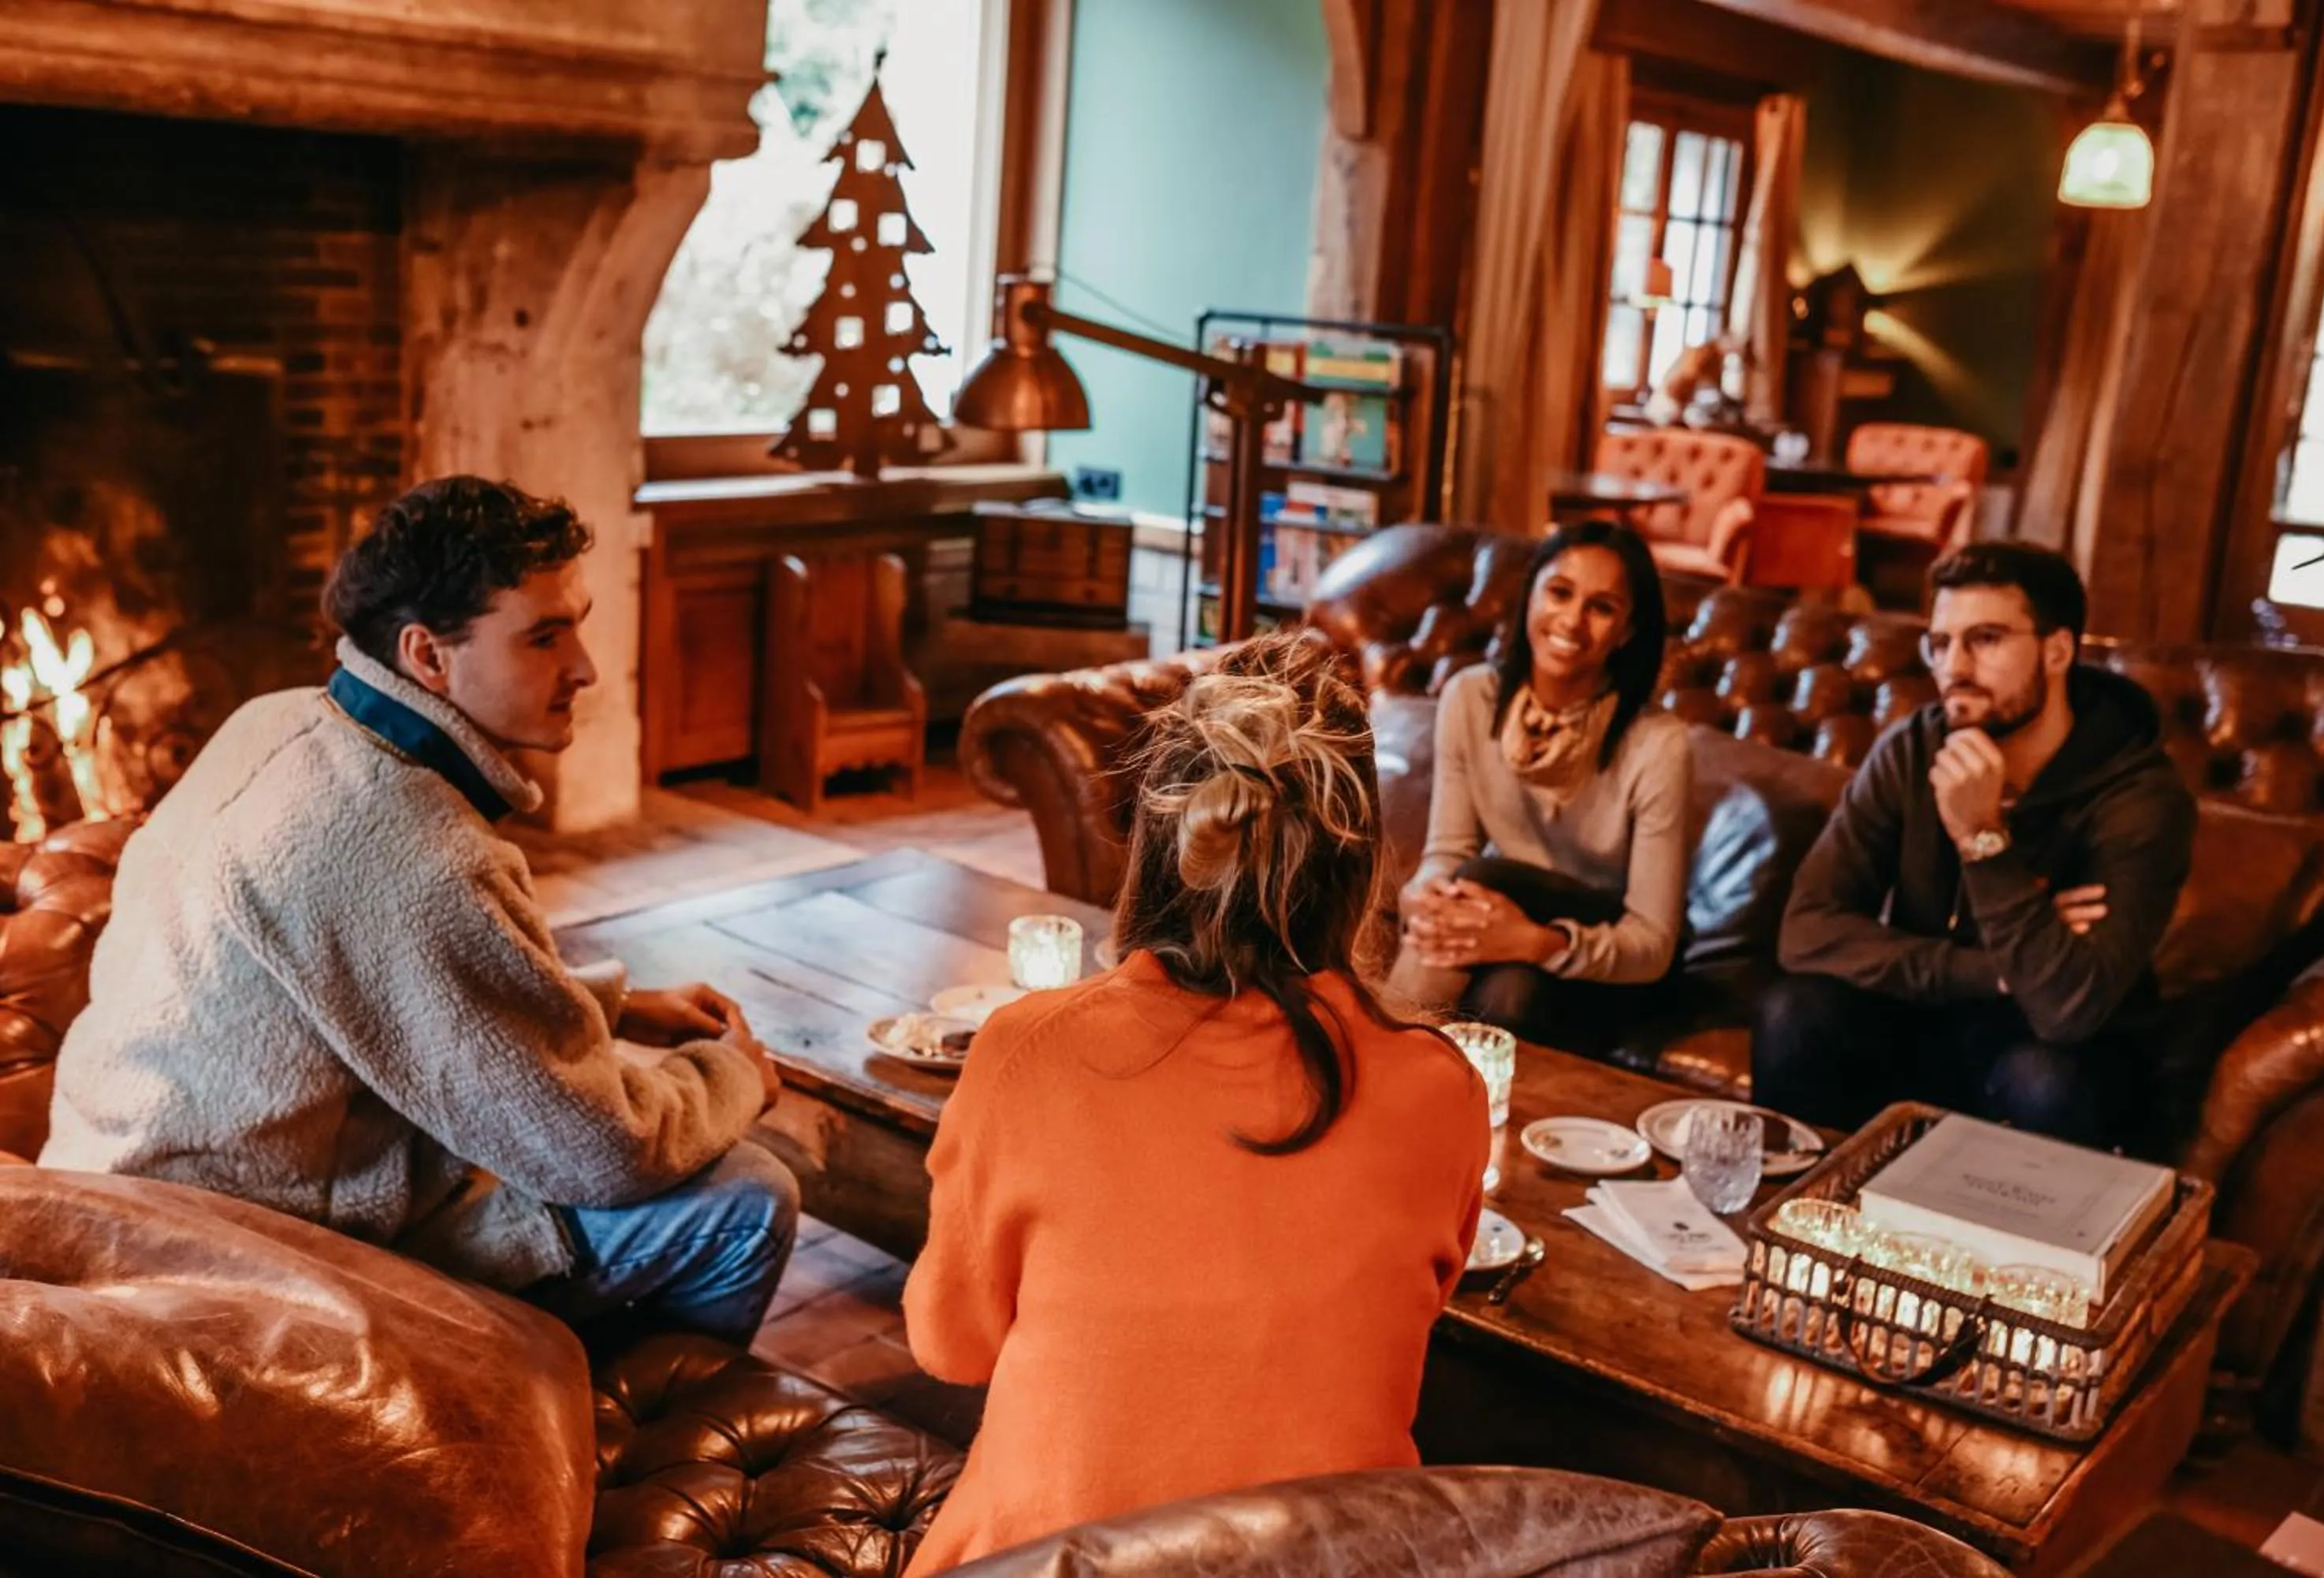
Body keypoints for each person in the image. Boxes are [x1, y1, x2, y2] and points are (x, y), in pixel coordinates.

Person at [42, 475, 796, 1345]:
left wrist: (613, 1004)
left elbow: (374, 987)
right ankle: (574, 1421)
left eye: (576, 625)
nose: (584, 667)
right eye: (545, 638)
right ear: (427, 656)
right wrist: (732, 1074)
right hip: (243, 1250)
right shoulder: (419, 852)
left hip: (119, 1176)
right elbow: (603, 1151)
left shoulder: (278, 721)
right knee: (747, 1198)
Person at [901, 634, 1490, 1575]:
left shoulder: (1024, 1053)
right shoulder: (1445, 1089)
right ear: (1357, 868)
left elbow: (952, 1345)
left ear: (1158, 844)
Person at [1755, 541, 2198, 1147]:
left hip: (2059, 1053)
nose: (1954, 667)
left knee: (2042, 1079)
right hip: (1930, 1017)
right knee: (1795, 1013)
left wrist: (1982, 838)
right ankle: (1795, 1223)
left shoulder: (2141, 799)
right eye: (1940, 643)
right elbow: (1806, 930)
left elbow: (2066, 1008)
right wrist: (1992, 971)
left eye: (1986, 639)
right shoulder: (1912, 750)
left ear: (2057, 650)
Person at [1387, 519, 1693, 1059]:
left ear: (1626, 631)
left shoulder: (1657, 745)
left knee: (1484, 875)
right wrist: (1428, 896)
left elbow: (1652, 942)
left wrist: (1533, 941)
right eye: (1559, 593)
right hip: (1511, 941)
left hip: (1617, 964)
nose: (1572, 620)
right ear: (1531, 595)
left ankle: (1377, 1068)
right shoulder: (1470, 698)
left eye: (1601, 608)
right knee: (1508, 992)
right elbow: (1447, 852)